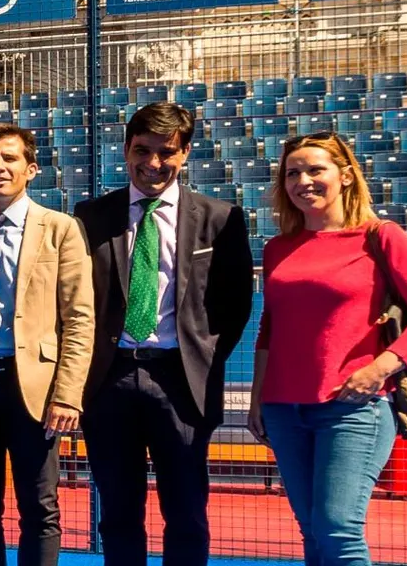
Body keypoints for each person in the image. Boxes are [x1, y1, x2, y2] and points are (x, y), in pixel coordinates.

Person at [249, 132, 407, 566]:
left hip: (352, 408)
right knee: (313, 533)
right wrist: (258, 399)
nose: (302, 180)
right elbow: (270, 327)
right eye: (292, 173)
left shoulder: (381, 237)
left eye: (314, 169)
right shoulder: (277, 248)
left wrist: (380, 368)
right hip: (284, 409)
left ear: (344, 176)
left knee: (337, 530)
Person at [75, 103, 255, 566]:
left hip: (181, 382)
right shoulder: (90, 217)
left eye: (166, 152)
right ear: (125, 149)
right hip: (109, 382)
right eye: (142, 150)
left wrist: (201, 356)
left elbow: (235, 305)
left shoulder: (222, 219)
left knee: (187, 514)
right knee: (118, 515)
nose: (153, 163)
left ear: (186, 153)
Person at [0, 122, 95, 566]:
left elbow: (79, 318)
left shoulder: (60, 229)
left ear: (31, 169)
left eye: (9, 158)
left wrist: (67, 393)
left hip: (34, 387)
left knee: (40, 509)